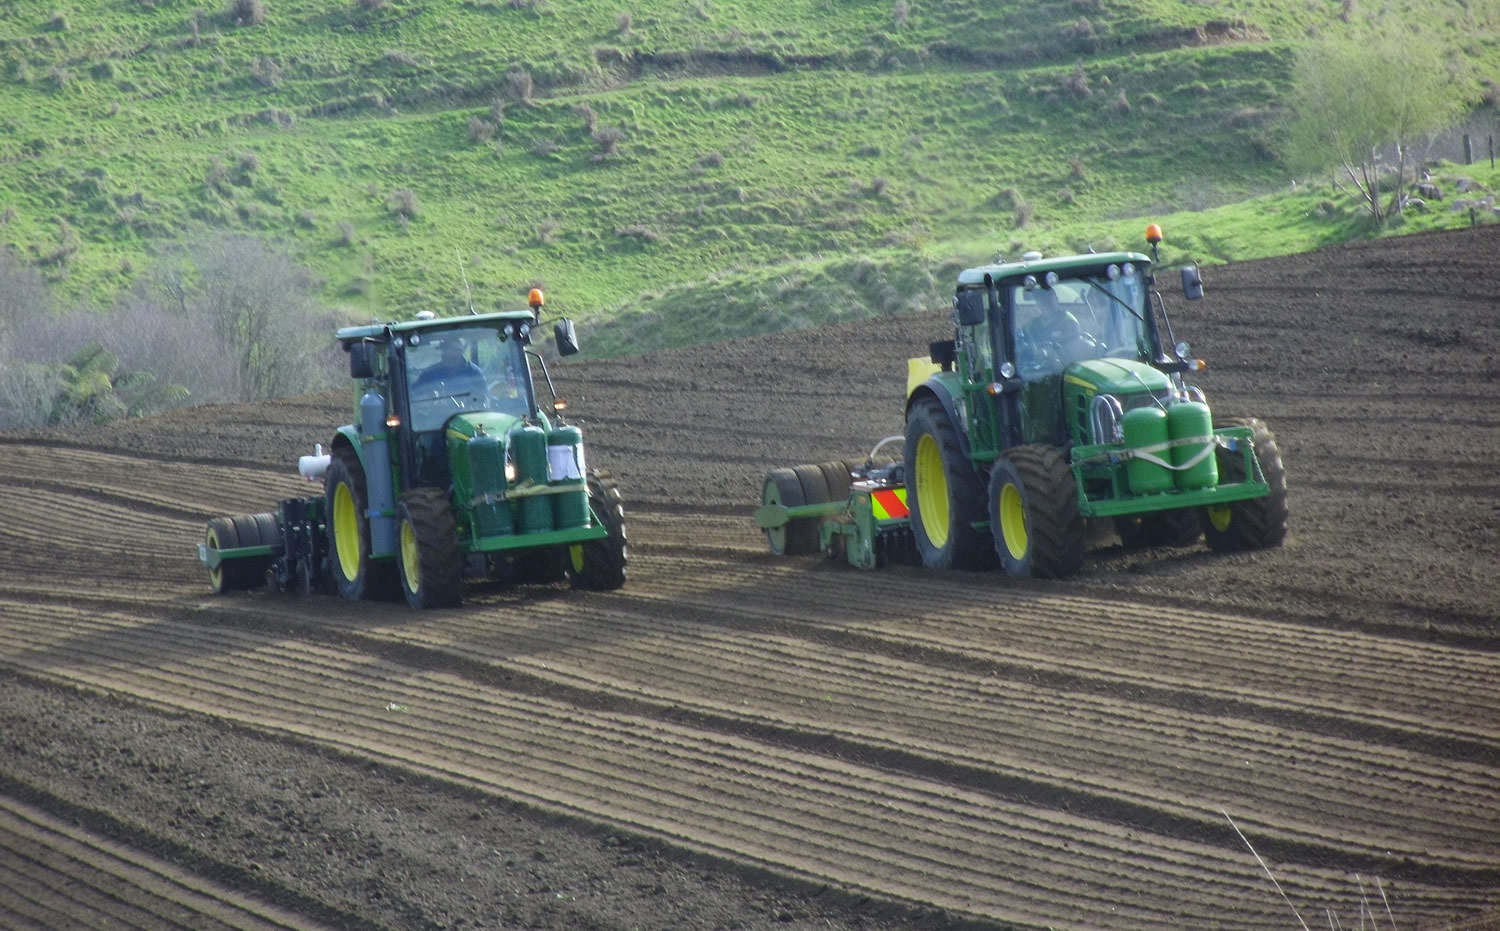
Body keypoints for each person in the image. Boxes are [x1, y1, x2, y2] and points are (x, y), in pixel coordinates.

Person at [413, 338, 484, 392]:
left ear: (460, 352)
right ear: (443, 354)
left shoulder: (474, 372)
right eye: (447, 353)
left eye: (455, 352)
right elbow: (415, 394)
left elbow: (483, 397)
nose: (452, 356)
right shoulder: (428, 375)